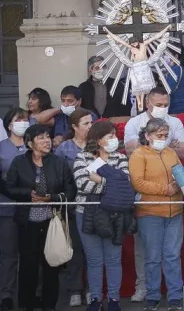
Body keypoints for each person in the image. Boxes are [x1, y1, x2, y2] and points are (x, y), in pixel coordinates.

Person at [3, 124, 76, 311]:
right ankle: (26, 304)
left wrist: (50, 198)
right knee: (28, 267)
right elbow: (9, 187)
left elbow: (70, 189)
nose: (47, 141)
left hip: (52, 222)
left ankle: (49, 305)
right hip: (28, 223)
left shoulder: (58, 162)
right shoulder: (19, 162)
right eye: (41, 138)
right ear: (29, 143)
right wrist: (28, 194)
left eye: (48, 137)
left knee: (52, 265)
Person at [73, 121, 131, 311]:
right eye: (110, 136)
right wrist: (111, 182)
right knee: (94, 260)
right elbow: (83, 184)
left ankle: (113, 299)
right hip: (87, 214)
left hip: (114, 214)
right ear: (98, 140)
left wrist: (100, 179)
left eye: (115, 135)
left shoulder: (121, 158)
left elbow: (125, 184)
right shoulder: (82, 157)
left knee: (114, 259)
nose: (115, 139)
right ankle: (95, 300)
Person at [129, 118, 184, 311]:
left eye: (165, 135)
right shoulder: (138, 154)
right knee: (152, 256)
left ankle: (175, 296)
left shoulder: (170, 153)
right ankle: (152, 296)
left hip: (175, 212)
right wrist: (165, 190)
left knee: (173, 255)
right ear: (147, 136)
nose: (163, 139)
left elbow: (180, 174)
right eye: (159, 135)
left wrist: (179, 184)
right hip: (150, 212)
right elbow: (137, 182)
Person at [54, 108, 93, 307]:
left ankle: (91, 289)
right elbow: (59, 176)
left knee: (92, 250)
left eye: (91, 123)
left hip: (94, 205)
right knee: (76, 249)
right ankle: (75, 289)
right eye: (86, 124)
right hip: (72, 205)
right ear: (75, 127)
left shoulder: (96, 145)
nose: (90, 127)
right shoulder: (64, 148)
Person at [0, 108, 29, 311]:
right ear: (9, 124)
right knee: (9, 255)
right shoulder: (1, 148)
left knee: (31, 254)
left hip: (32, 208)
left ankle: (31, 294)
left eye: (26, 119)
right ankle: (6, 295)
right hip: (8, 209)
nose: (23, 123)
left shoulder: (33, 146)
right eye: (19, 120)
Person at [124, 86, 184, 158]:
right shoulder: (134, 122)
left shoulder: (176, 122)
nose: (163, 108)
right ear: (147, 103)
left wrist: (144, 148)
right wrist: (168, 148)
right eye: (159, 105)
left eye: (166, 105)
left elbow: (181, 153)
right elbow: (131, 152)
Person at [164, 45, 184, 114]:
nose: (165, 57)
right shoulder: (181, 69)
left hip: (175, 110)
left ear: (176, 56)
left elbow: (168, 89)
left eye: (167, 54)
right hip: (180, 109)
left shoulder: (176, 69)